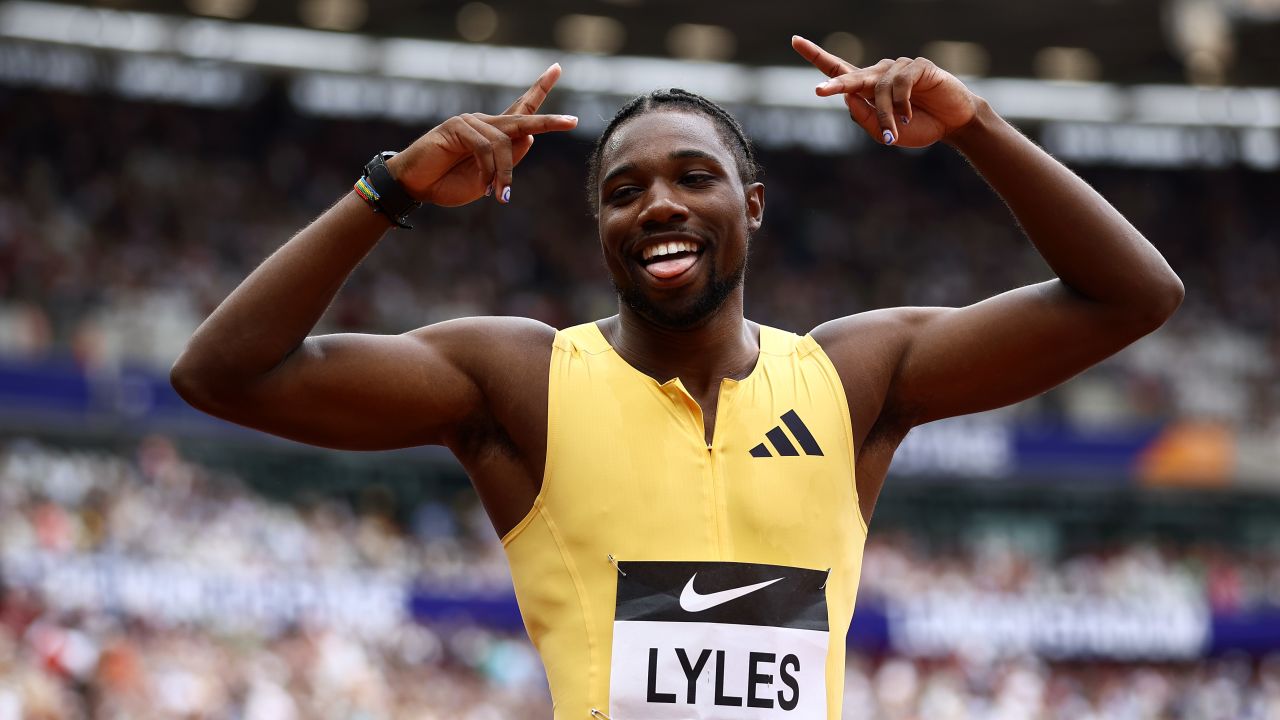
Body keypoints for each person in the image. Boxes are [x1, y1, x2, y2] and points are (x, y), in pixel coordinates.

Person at [171, 36, 1184, 720]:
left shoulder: (852, 375)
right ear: (598, 229)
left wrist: (974, 127)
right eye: (622, 192)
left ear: (751, 207)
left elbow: (1130, 294)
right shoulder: (518, 378)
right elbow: (223, 374)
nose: (656, 204)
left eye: (691, 178)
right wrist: (386, 189)